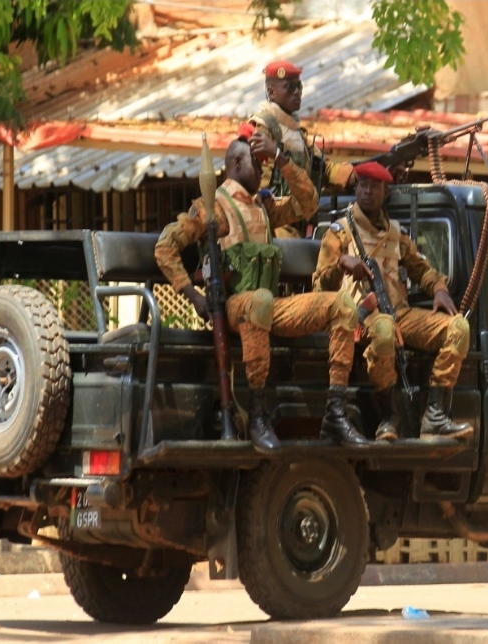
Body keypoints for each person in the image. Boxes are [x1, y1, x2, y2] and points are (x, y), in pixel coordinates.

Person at [154, 125, 371, 451]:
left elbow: (309, 203)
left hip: (269, 307)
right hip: (235, 307)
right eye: (257, 164)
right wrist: (192, 295)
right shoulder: (213, 207)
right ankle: (257, 413)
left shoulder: (263, 207)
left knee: (342, 304)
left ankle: (335, 412)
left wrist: (281, 157)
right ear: (236, 164)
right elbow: (165, 247)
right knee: (260, 300)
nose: (262, 169)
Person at [312, 162, 474, 442]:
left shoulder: (396, 233)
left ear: (386, 192)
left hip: (400, 312)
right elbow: (319, 285)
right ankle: (389, 414)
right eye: (363, 185)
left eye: (375, 187)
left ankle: (436, 415)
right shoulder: (340, 231)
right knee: (384, 330)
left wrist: (439, 289)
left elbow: (422, 269)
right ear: (356, 189)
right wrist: (341, 264)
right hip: (362, 318)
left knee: (458, 328)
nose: (367, 191)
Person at [249, 60, 355, 238]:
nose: (297, 92)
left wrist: (358, 175)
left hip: (301, 222)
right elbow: (257, 187)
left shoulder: (297, 133)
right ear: (271, 92)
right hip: (277, 227)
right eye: (289, 87)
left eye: (299, 86)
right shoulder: (264, 128)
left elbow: (323, 169)